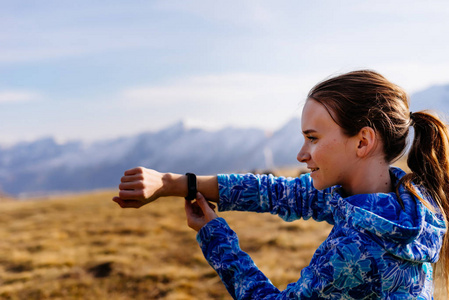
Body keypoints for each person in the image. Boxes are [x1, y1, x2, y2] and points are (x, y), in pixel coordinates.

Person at [112, 70, 449, 299]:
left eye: (313, 138)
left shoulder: (356, 250)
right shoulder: (408, 199)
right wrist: (174, 183)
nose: (302, 154)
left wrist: (214, 237)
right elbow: (278, 192)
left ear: (362, 142)